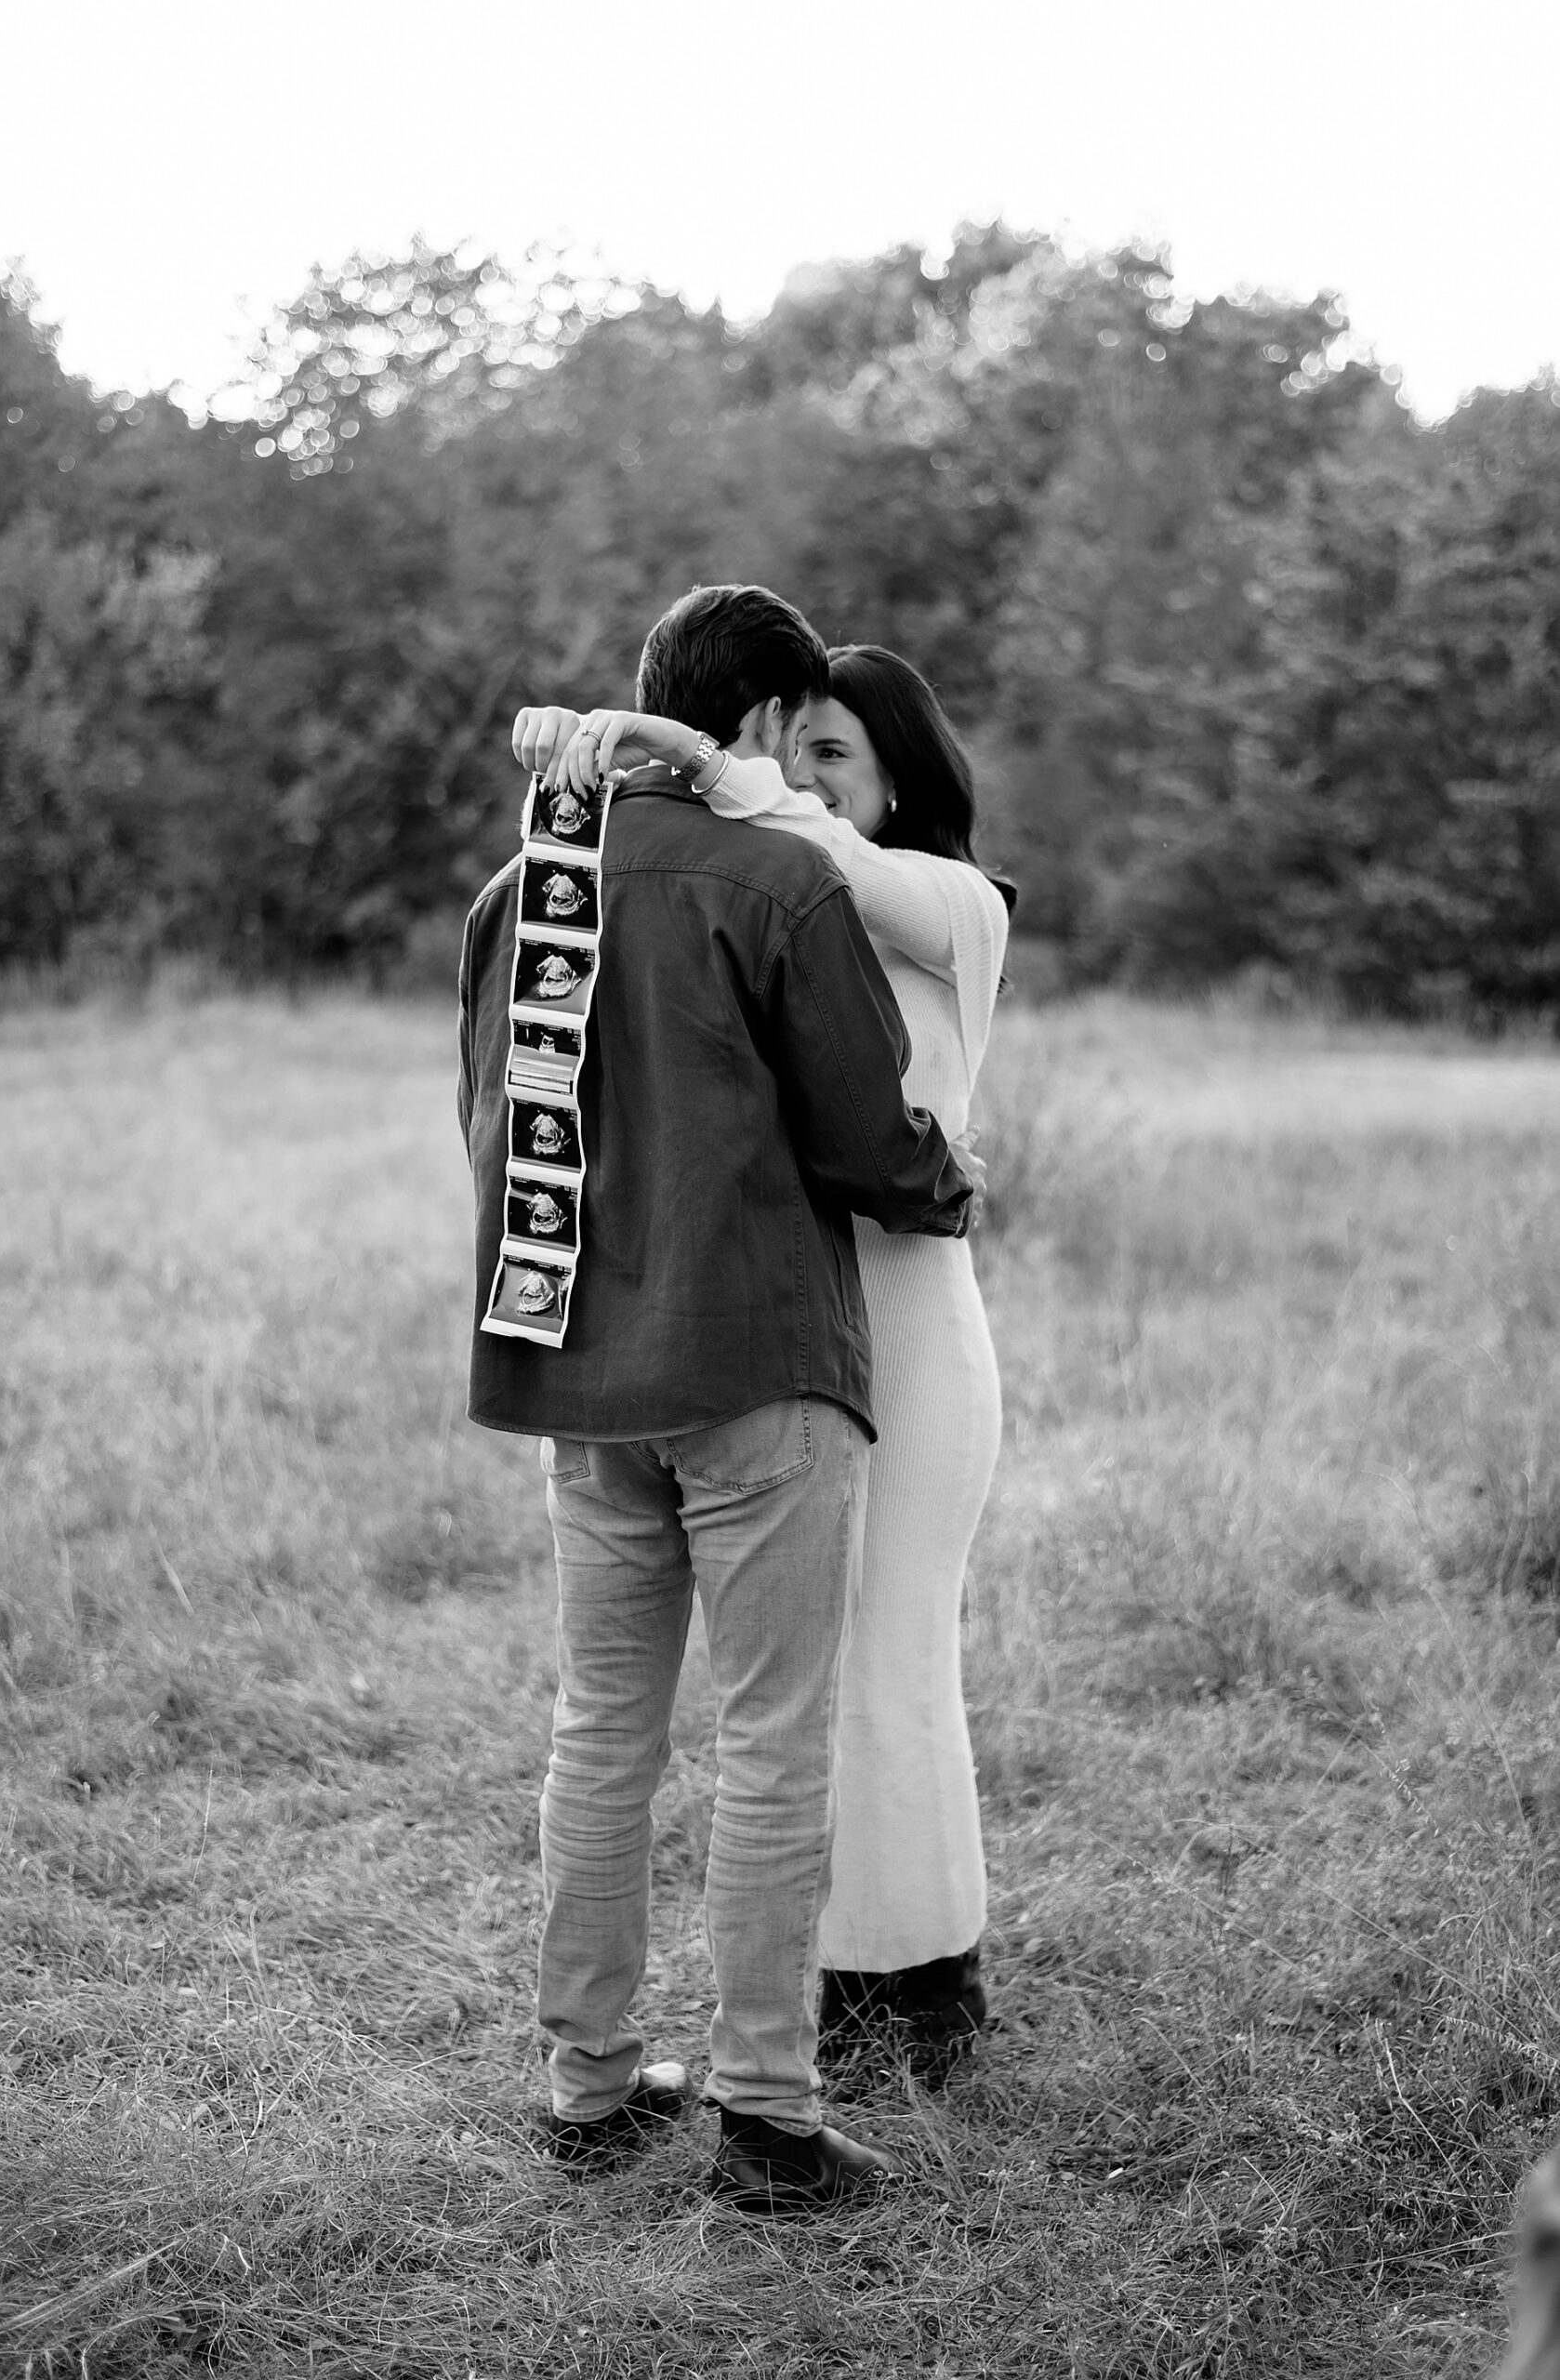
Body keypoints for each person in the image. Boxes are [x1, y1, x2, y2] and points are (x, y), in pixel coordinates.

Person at [461, 586, 975, 2215]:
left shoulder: (521, 891)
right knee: (770, 1743)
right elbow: (867, 1134)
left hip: (584, 1373)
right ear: (758, 724)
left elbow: (489, 1125)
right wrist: (948, 1184)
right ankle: (767, 2114)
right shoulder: (776, 882)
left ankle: (587, 2087)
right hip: (756, 1363)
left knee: (600, 1730)